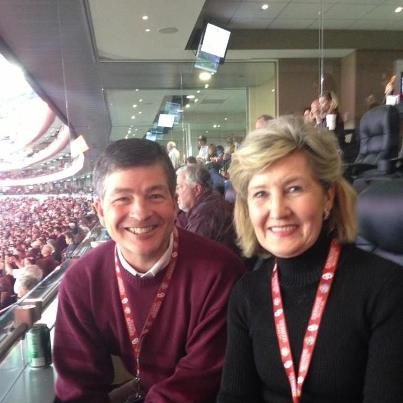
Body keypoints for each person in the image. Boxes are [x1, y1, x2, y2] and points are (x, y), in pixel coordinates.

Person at [218, 116, 403, 402]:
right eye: (261, 194)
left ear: (327, 197)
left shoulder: (386, 288)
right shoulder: (247, 293)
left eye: (294, 189)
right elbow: (234, 396)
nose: (277, 210)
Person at [53, 138, 245, 403]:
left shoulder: (220, 271)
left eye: (155, 196)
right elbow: (78, 386)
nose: (141, 213)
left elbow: (198, 384)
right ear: (100, 211)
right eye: (122, 198)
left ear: (175, 202)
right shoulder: (81, 280)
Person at [176, 164, 237, 252]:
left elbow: (189, 252)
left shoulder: (206, 213)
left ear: (197, 189)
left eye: (179, 187)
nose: (176, 193)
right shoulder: (210, 202)